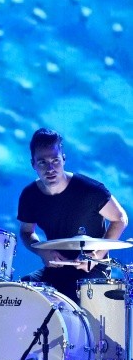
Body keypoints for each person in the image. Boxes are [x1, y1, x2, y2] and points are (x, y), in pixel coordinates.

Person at [17, 128, 128, 301]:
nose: (50, 168)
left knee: (68, 298)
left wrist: (97, 256)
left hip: (91, 270)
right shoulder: (29, 195)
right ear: (33, 164)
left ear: (64, 159)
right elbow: (26, 231)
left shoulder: (89, 190)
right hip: (56, 270)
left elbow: (120, 219)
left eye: (55, 160)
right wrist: (41, 252)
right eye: (42, 162)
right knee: (17, 293)